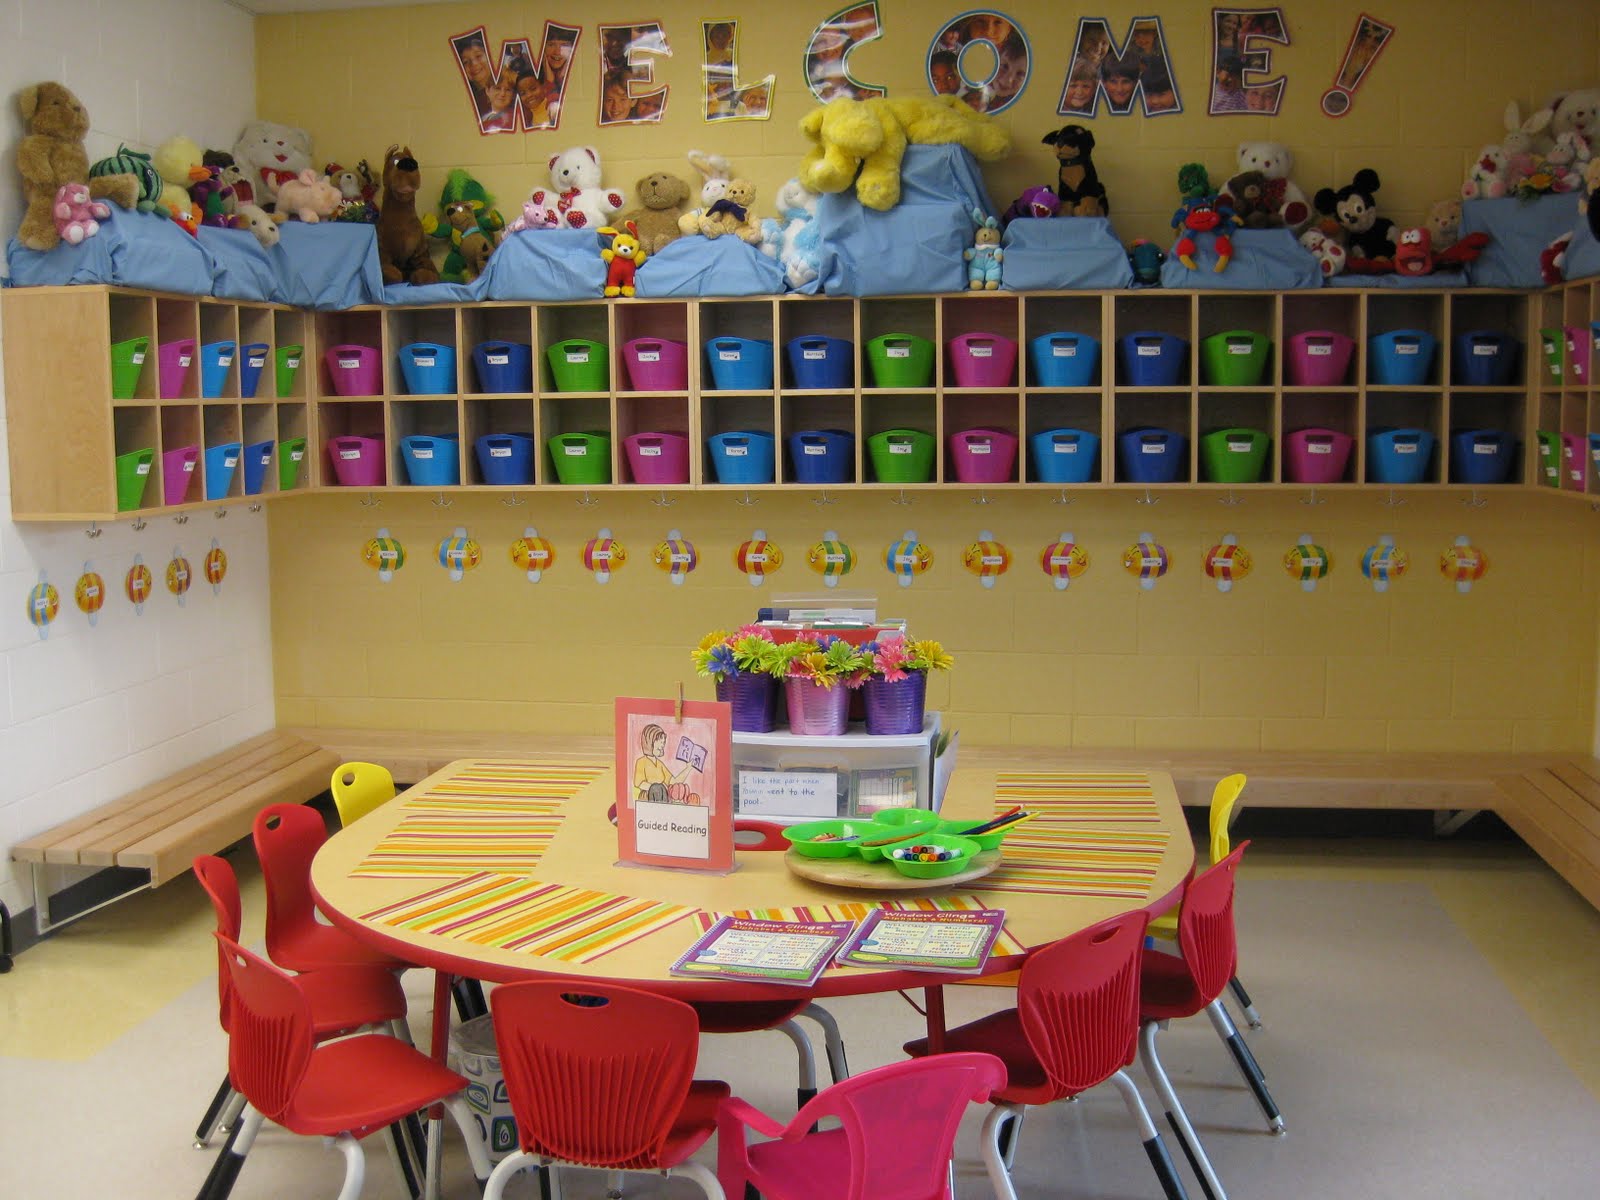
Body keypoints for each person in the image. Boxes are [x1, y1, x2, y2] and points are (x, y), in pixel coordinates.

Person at [454, 32, 493, 116]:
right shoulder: (465, 103)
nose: (474, 63)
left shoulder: (512, 88)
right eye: (466, 62)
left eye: (478, 56)